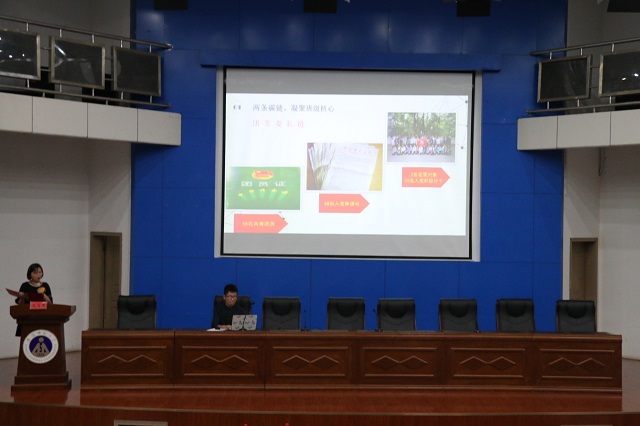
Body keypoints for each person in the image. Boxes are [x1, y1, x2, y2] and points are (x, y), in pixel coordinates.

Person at [15, 263, 53, 336]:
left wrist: (42, 294)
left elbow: (50, 303)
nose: (38, 275)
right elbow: (20, 305)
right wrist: (22, 297)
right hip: (27, 318)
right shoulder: (24, 285)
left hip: (42, 317)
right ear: (30, 274)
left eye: (40, 272)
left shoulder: (45, 285)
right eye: (35, 273)